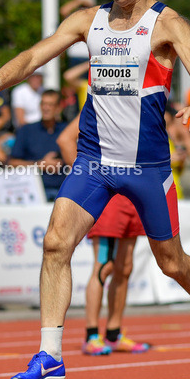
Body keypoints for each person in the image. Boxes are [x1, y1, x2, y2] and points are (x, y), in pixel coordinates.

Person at [0, 0, 190, 379]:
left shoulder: (167, 25)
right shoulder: (88, 21)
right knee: (55, 244)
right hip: (94, 160)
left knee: (171, 263)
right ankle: (50, 353)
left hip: (147, 168)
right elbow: (33, 56)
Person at [57, 116, 152, 356]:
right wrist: (87, 180)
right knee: (103, 265)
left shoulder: (141, 102)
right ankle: (91, 335)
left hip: (135, 195)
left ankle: (113, 334)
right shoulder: (100, 99)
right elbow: (65, 139)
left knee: (125, 266)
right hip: (109, 196)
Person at [7, 89, 67, 200]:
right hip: (33, 192)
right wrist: (40, 165)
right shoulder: (26, 130)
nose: (46, 108)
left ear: (59, 108)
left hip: (64, 191)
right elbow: (11, 163)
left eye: (50, 104)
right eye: (43, 104)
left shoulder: (68, 131)